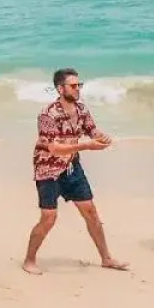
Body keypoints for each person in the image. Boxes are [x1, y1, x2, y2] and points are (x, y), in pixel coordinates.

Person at [22, 68, 129, 275]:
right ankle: (29, 259)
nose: (78, 89)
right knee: (49, 217)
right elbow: (53, 147)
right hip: (48, 169)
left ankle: (106, 258)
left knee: (90, 211)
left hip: (71, 166)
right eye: (73, 86)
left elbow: (92, 130)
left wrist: (101, 137)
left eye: (79, 85)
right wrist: (87, 146)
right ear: (60, 89)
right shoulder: (47, 114)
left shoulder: (81, 109)